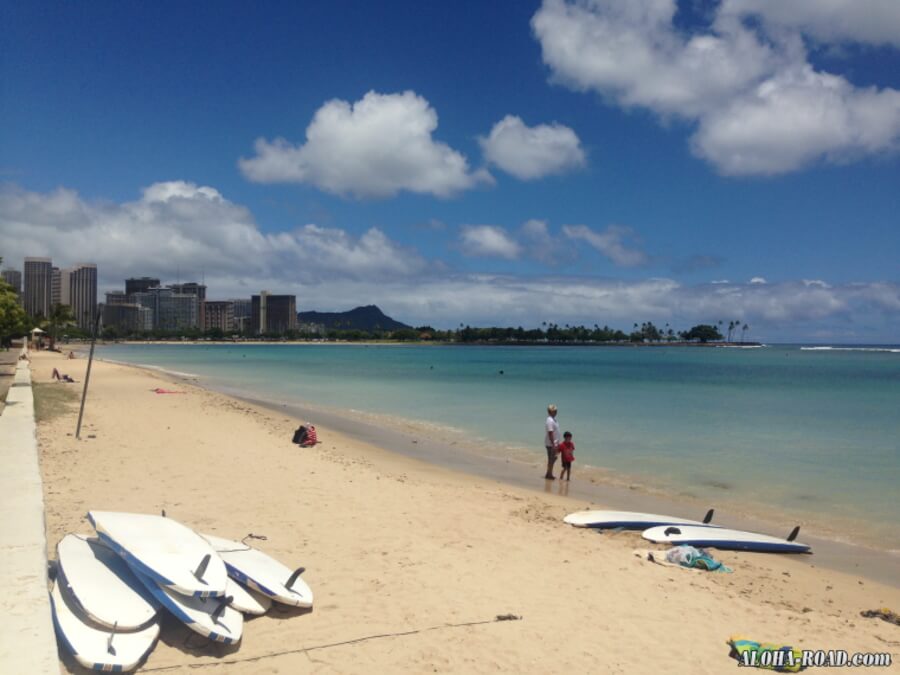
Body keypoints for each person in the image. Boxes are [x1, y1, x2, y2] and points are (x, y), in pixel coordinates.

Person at [544, 404, 560, 479]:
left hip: (554, 443)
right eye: (554, 411)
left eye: (556, 411)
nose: (556, 412)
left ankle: (549, 473)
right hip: (551, 444)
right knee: (552, 459)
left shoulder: (553, 419)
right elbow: (550, 433)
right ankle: (549, 474)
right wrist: (553, 444)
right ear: (550, 412)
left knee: (552, 459)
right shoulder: (550, 420)